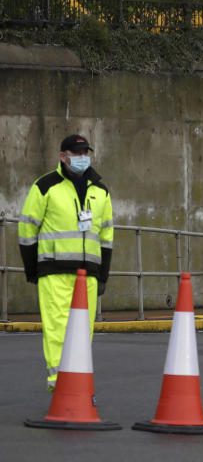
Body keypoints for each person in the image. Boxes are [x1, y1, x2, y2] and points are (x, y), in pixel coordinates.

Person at [18, 134, 114, 390]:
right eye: (76, 153)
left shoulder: (101, 191)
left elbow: (106, 236)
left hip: (89, 273)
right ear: (63, 156)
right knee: (58, 327)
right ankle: (59, 383)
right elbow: (27, 228)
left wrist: (103, 274)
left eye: (85, 153)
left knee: (84, 330)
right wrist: (32, 269)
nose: (82, 157)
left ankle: (77, 380)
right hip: (54, 269)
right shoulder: (45, 186)